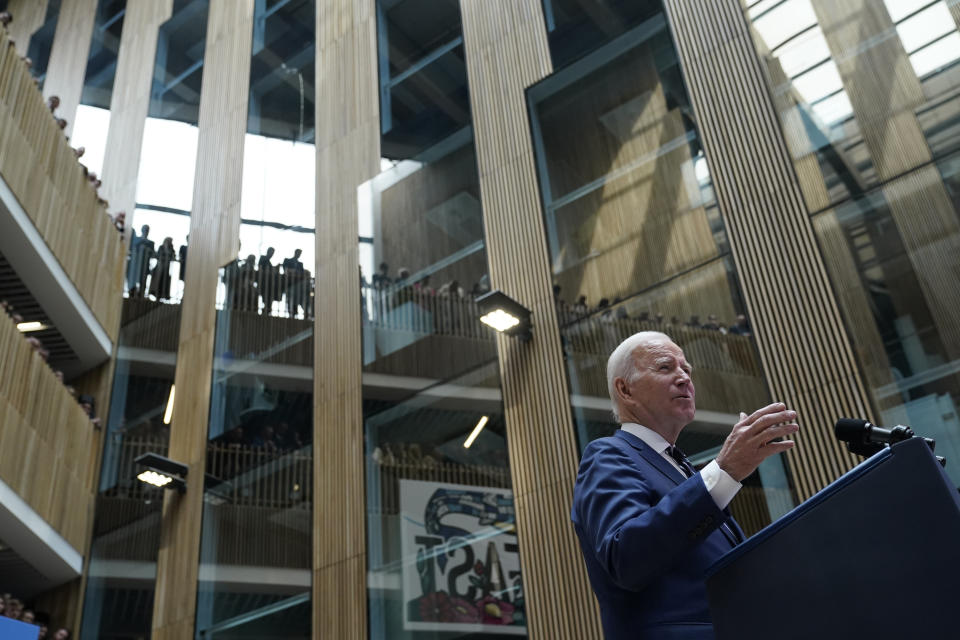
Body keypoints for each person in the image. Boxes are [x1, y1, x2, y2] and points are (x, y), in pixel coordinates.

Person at [571, 331, 798, 639]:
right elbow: (625, 555)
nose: (684, 378)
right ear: (625, 389)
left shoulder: (683, 469)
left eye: (687, 370)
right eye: (666, 367)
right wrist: (723, 472)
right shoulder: (608, 454)